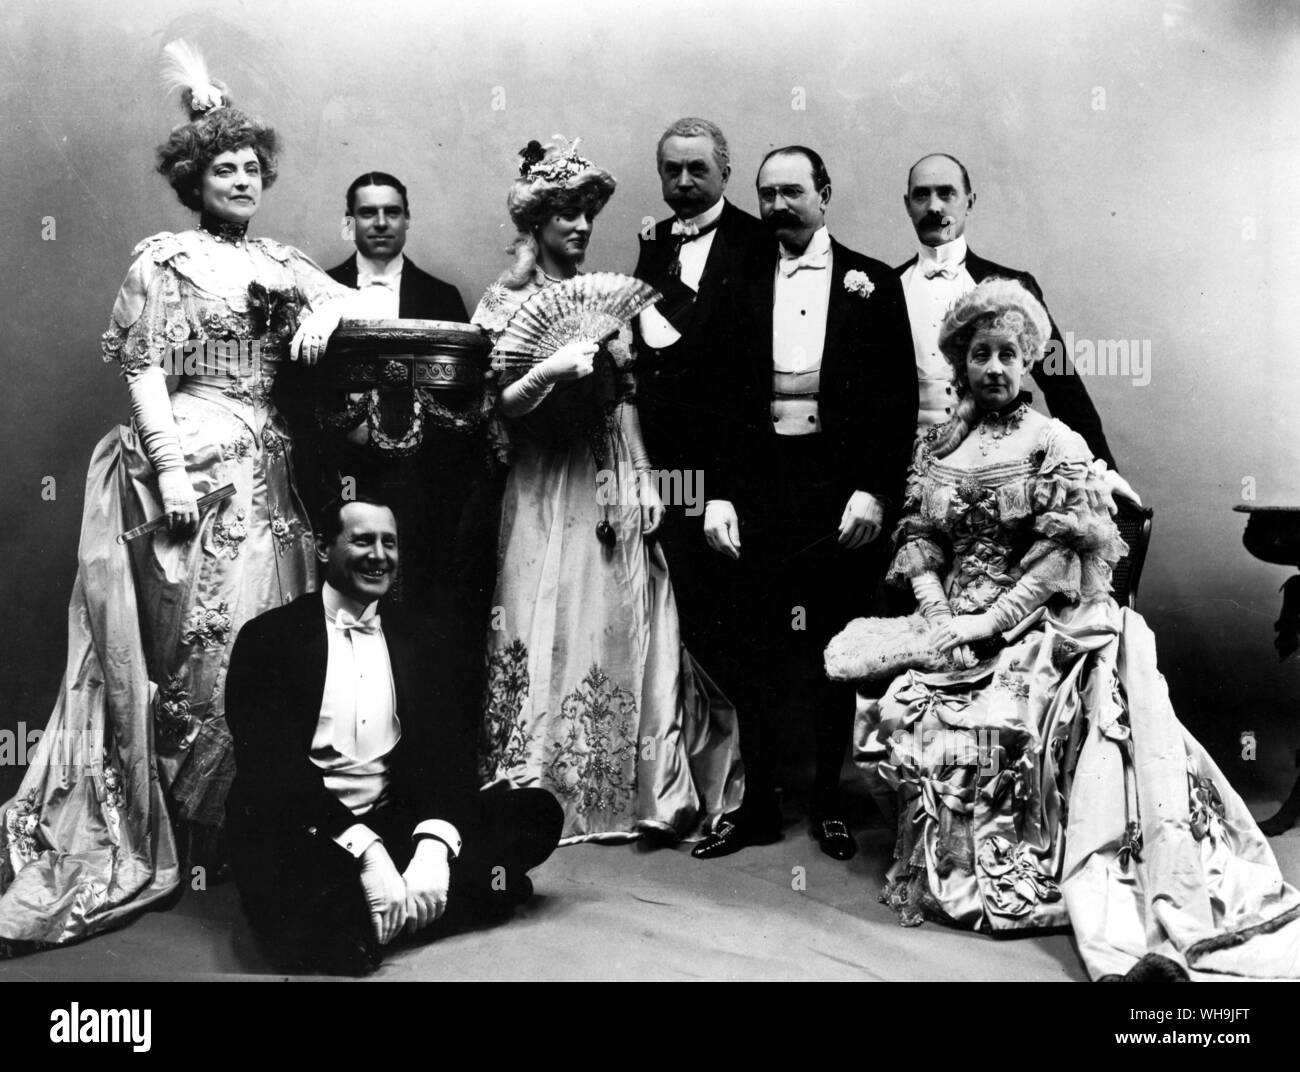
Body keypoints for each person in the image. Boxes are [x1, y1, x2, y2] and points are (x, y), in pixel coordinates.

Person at [826, 277, 1300, 979]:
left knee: (1022, 703)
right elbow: (919, 537)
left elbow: (1061, 557)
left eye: (1007, 356)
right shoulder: (935, 447)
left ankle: (1040, 873)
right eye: (980, 353)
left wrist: (990, 621)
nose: (992, 368)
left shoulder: (1056, 440)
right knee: (902, 695)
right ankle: (952, 869)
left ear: (1027, 365)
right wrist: (936, 615)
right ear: (960, 361)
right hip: (953, 620)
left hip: (1041, 621)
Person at [0, 44, 350, 951]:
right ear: (193, 181)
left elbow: (349, 301)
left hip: (271, 469)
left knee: (275, 629)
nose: (241, 181)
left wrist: (321, 311)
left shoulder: (280, 259)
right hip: (194, 463)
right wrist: (171, 471)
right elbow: (145, 370)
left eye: (251, 169)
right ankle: (193, 827)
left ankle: (256, 819)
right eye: (223, 169)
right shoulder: (165, 261)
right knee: (203, 637)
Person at [472, 136, 743, 843]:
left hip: (610, 472)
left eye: (588, 212)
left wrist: (648, 474)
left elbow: (624, 394)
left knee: (625, 613)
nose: (581, 226)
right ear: (536, 223)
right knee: (544, 608)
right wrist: (546, 373)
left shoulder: (612, 302)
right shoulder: (505, 301)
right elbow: (495, 406)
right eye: (566, 213)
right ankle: (537, 786)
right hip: (544, 477)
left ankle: (623, 784)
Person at [225, 495, 562, 975]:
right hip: (310, 830)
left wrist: (433, 847)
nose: (379, 556)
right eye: (362, 541)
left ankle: (374, 913)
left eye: (390, 543)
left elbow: (448, 756)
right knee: (283, 885)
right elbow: (271, 772)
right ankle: (462, 898)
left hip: (397, 826)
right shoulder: (268, 638)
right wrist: (364, 849)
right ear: (323, 548)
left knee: (537, 813)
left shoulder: (422, 638)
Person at [692, 146, 918, 862]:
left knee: (829, 653)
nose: (778, 206)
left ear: (825, 193)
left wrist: (875, 493)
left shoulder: (872, 282)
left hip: (837, 496)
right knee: (756, 650)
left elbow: (897, 402)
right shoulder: (737, 276)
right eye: (767, 194)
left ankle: (827, 801)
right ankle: (759, 804)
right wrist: (716, 495)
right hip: (759, 490)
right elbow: (717, 398)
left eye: (793, 192)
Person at [631, 117, 766, 669]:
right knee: (669, 616)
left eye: (697, 169)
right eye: (672, 170)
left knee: (728, 625)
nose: (683, 181)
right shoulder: (654, 241)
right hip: (660, 466)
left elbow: (757, 379)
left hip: (727, 467)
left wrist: (726, 487)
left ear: (725, 173)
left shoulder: (758, 242)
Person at [898, 152, 1125, 477]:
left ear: (969, 201)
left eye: (946, 193)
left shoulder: (1012, 287)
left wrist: (1105, 471)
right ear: (908, 205)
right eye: (922, 195)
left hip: (995, 468)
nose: (934, 207)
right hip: (906, 473)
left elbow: (1063, 384)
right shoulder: (887, 289)